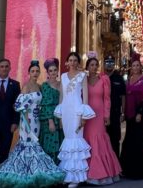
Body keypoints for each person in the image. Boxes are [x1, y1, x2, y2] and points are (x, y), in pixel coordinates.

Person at [0, 67, 65, 188]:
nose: (35, 73)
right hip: (27, 121)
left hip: (37, 120)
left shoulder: (39, 86)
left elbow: (40, 103)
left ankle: (33, 173)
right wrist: (26, 122)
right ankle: (23, 175)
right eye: (33, 71)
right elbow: (19, 105)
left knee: (35, 146)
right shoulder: (26, 87)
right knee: (27, 146)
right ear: (29, 73)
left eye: (37, 71)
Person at [54, 51, 95, 188]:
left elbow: (86, 97)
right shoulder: (63, 76)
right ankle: (67, 174)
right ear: (67, 62)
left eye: (74, 60)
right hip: (66, 111)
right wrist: (60, 116)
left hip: (77, 111)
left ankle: (76, 178)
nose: (72, 62)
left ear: (78, 62)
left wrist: (84, 116)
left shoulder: (83, 75)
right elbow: (61, 96)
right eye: (70, 60)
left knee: (76, 140)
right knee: (68, 141)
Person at [83, 53, 122, 185]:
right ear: (87, 67)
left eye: (96, 65)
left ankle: (102, 173)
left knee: (99, 141)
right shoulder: (83, 80)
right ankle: (86, 173)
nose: (94, 67)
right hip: (87, 116)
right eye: (91, 65)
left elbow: (107, 99)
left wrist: (107, 115)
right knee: (87, 140)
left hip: (99, 115)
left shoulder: (104, 79)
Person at [119, 54, 143, 179]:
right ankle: (128, 169)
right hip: (129, 115)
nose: (135, 67)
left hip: (139, 115)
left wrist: (140, 113)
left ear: (140, 67)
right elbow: (125, 96)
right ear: (131, 67)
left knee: (140, 140)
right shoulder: (128, 79)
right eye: (133, 65)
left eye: (137, 65)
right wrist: (123, 112)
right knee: (129, 139)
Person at [39, 58, 63, 163]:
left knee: (60, 143)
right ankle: (50, 171)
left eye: (55, 70)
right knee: (50, 145)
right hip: (49, 119)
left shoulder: (62, 84)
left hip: (60, 118)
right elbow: (45, 104)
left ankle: (58, 170)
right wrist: (50, 121)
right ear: (48, 73)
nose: (53, 72)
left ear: (57, 71)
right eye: (51, 70)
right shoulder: (45, 86)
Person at [103, 56, 125, 159]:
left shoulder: (119, 78)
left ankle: (116, 164)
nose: (109, 64)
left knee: (115, 139)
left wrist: (123, 113)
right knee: (103, 139)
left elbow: (123, 96)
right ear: (104, 64)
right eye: (107, 62)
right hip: (103, 114)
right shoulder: (101, 77)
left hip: (115, 113)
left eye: (111, 62)